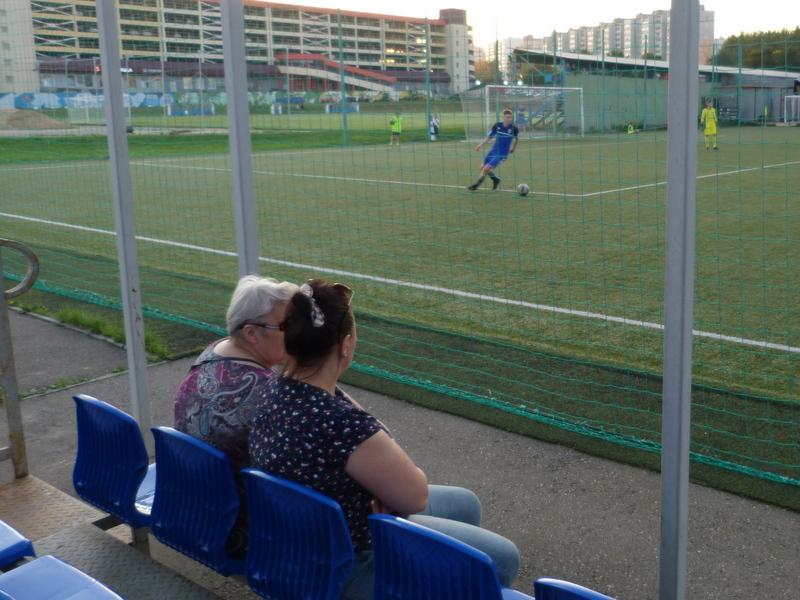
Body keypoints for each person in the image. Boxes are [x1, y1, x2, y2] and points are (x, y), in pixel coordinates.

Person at [249, 279, 520, 600]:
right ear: (344, 345)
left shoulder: (272, 388)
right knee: (502, 558)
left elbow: (365, 430)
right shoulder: (341, 424)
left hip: (298, 543)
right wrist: (388, 488)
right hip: (346, 563)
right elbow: (415, 496)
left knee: (465, 503)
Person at [173, 274, 298, 557]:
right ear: (251, 333)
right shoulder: (267, 389)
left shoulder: (215, 351)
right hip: (239, 529)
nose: (296, 334)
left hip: (192, 505)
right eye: (286, 326)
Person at [468, 108, 519, 191]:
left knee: (486, 168)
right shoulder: (497, 125)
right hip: (493, 151)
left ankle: (476, 185)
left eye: (511, 117)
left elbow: (516, 139)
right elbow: (489, 137)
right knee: (483, 167)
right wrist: (480, 145)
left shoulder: (514, 129)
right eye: (508, 117)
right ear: (503, 117)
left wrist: (513, 149)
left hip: (502, 154)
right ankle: (495, 180)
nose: (510, 119)